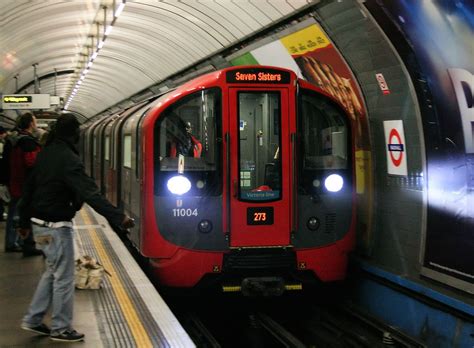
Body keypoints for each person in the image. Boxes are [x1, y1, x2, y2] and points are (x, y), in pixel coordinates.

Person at [17, 113, 135, 342]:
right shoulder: (68, 158)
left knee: (52, 272)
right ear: (73, 135)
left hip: (39, 226)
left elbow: (28, 189)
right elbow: (90, 192)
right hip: (56, 227)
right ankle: (61, 328)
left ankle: (32, 319)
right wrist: (119, 217)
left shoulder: (46, 153)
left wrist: (23, 223)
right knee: (63, 277)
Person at [4, 113, 42, 255]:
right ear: (31, 124)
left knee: (15, 213)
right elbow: (31, 162)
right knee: (21, 213)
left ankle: (15, 241)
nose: (36, 124)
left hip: (14, 181)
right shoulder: (27, 142)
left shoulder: (13, 139)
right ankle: (20, 243)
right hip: (24, 184)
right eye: (35, 121)